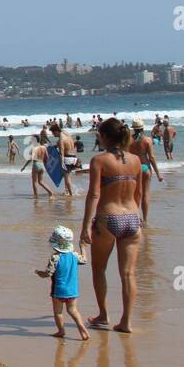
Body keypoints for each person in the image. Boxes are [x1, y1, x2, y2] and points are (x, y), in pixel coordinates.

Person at [80, 117, 144, 333]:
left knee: (99, 268)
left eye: (99, 134)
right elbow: (139, 193)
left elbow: (94, 194)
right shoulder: (135, 160)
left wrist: (85, 226)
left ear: (105, 137)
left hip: (109, 218)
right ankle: (126, 321)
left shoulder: (99, 160)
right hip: (133, 218)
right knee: (128, 273)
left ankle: (103, 315)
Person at [35, 225, 90, 340]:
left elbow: (49, 273)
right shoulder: (74, 255)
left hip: (58, 290)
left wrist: (40, 273)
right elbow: (84, 260)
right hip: (73, 290)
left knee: (58, 312)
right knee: (73, 310)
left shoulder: (55, 257)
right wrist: (83, 247)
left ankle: (61, 331)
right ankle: (82, 329)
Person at [127, 119, 163, 223]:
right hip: (145, 168)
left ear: (133, 128)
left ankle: (134, 217)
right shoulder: (147, 140)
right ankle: (145, 220)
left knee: (134, 194)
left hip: (133, 168)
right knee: (145, 194)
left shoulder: (128, 140)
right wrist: (158, 174)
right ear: (143, 128)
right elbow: (151, 158)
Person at [51, 121, 77, 195]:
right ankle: (67, 191)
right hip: (74, 158)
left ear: (56, 131)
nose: (53, 135)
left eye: (53, 133)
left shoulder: (61, 140)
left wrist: (62, 163)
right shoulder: (66, 134)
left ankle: (71, 194)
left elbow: (62, 153)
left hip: (67, 159)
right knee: (68, 176)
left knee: (67, 177)